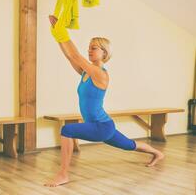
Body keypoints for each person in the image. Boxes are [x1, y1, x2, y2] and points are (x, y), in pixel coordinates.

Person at [44, 15, 164, 187]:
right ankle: (157, 153)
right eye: (89, 48)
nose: (89, 50)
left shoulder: (100, 73)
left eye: (94, 48)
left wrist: (62, 33)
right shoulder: (86, 72)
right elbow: (71, 57)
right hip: (104, 125)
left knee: (67, 130)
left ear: (104, 53)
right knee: (129, 145)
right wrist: (57, 37)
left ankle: (63, 174)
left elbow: (76, 55)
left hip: (101, 127)